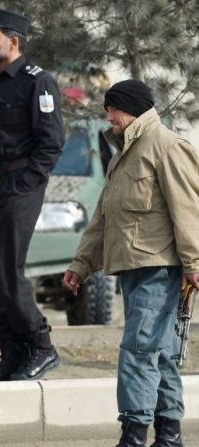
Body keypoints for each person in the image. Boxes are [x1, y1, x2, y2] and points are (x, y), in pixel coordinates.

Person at [62, 79, 199, 447]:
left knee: (139, 349)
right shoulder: (124, 153)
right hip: (133, 268)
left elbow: (188, 210)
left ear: (132, 107)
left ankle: (133, 435)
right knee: (161, 353)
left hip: (161, 268)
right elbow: (103, 219)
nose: (108, 117)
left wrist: (194, 262)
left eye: (113, 109)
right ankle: (169, 436)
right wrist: (81, 264)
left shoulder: (167, 146)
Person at [0, 8, 65, 382]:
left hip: (19, 185)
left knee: (8, 273)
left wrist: (26, 184)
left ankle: (41, 347)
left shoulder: (37, 82)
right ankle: (12, 354)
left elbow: (51, 144)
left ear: (14, 41)